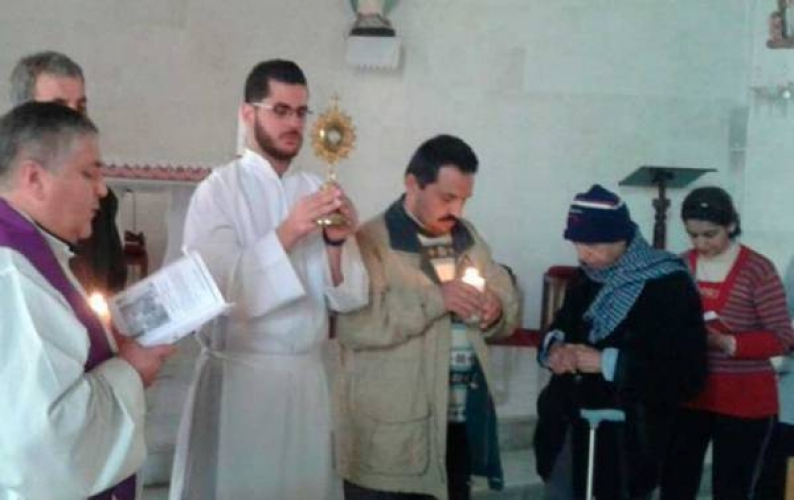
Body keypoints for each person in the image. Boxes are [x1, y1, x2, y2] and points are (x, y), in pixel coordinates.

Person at [0, 102, 174, 499]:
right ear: (34, 178)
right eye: (89, 173)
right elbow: (42, 449)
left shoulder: (12, 251)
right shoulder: (3, 276)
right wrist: (130, 371)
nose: (102, 189)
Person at [169, 59, 368, 500]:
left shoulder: (317, 188)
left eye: (301, 112)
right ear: (248, 113)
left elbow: (349, 297)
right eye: (280, 110)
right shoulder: (218, 191)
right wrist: (289, 231)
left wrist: (336, 243)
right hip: (242, 381)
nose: (293, 123)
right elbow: (218, 292)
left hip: (306, 379)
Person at [333, 134, 520, 500]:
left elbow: (504, 295)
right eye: (447, 198)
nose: (457, 211)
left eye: (464, 200)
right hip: (391, 439)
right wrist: (437, 299)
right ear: (413, 184)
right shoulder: (371, 240)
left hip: (458, 427)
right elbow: (356, 326)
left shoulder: (468, 238)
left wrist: (495, 309)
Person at [534, 184, 707, 500]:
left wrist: (608, 363)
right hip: (568, 430)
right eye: (577, 244)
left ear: (621, 238)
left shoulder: (667, 283)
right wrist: (555, 349)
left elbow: (688, 374)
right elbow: (562, 325)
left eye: (592, 244)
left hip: (628, 441)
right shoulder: (586, 277)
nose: (582, 254)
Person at [0, 50, 127, 295]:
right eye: (57, 109)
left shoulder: (99, 198)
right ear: (24, 115)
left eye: (80, 107)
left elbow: (110, 280)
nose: (75, 120)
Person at [660, 186, 794, 500]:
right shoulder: (679, 266)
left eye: (711, 235)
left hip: (744, 400)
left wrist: (728, 343)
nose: (701, 244)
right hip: (690, 393)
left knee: (732, 489)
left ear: (731, 225)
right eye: (693, 235)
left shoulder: (757, 270)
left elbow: (782, 338)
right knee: (675, 485)